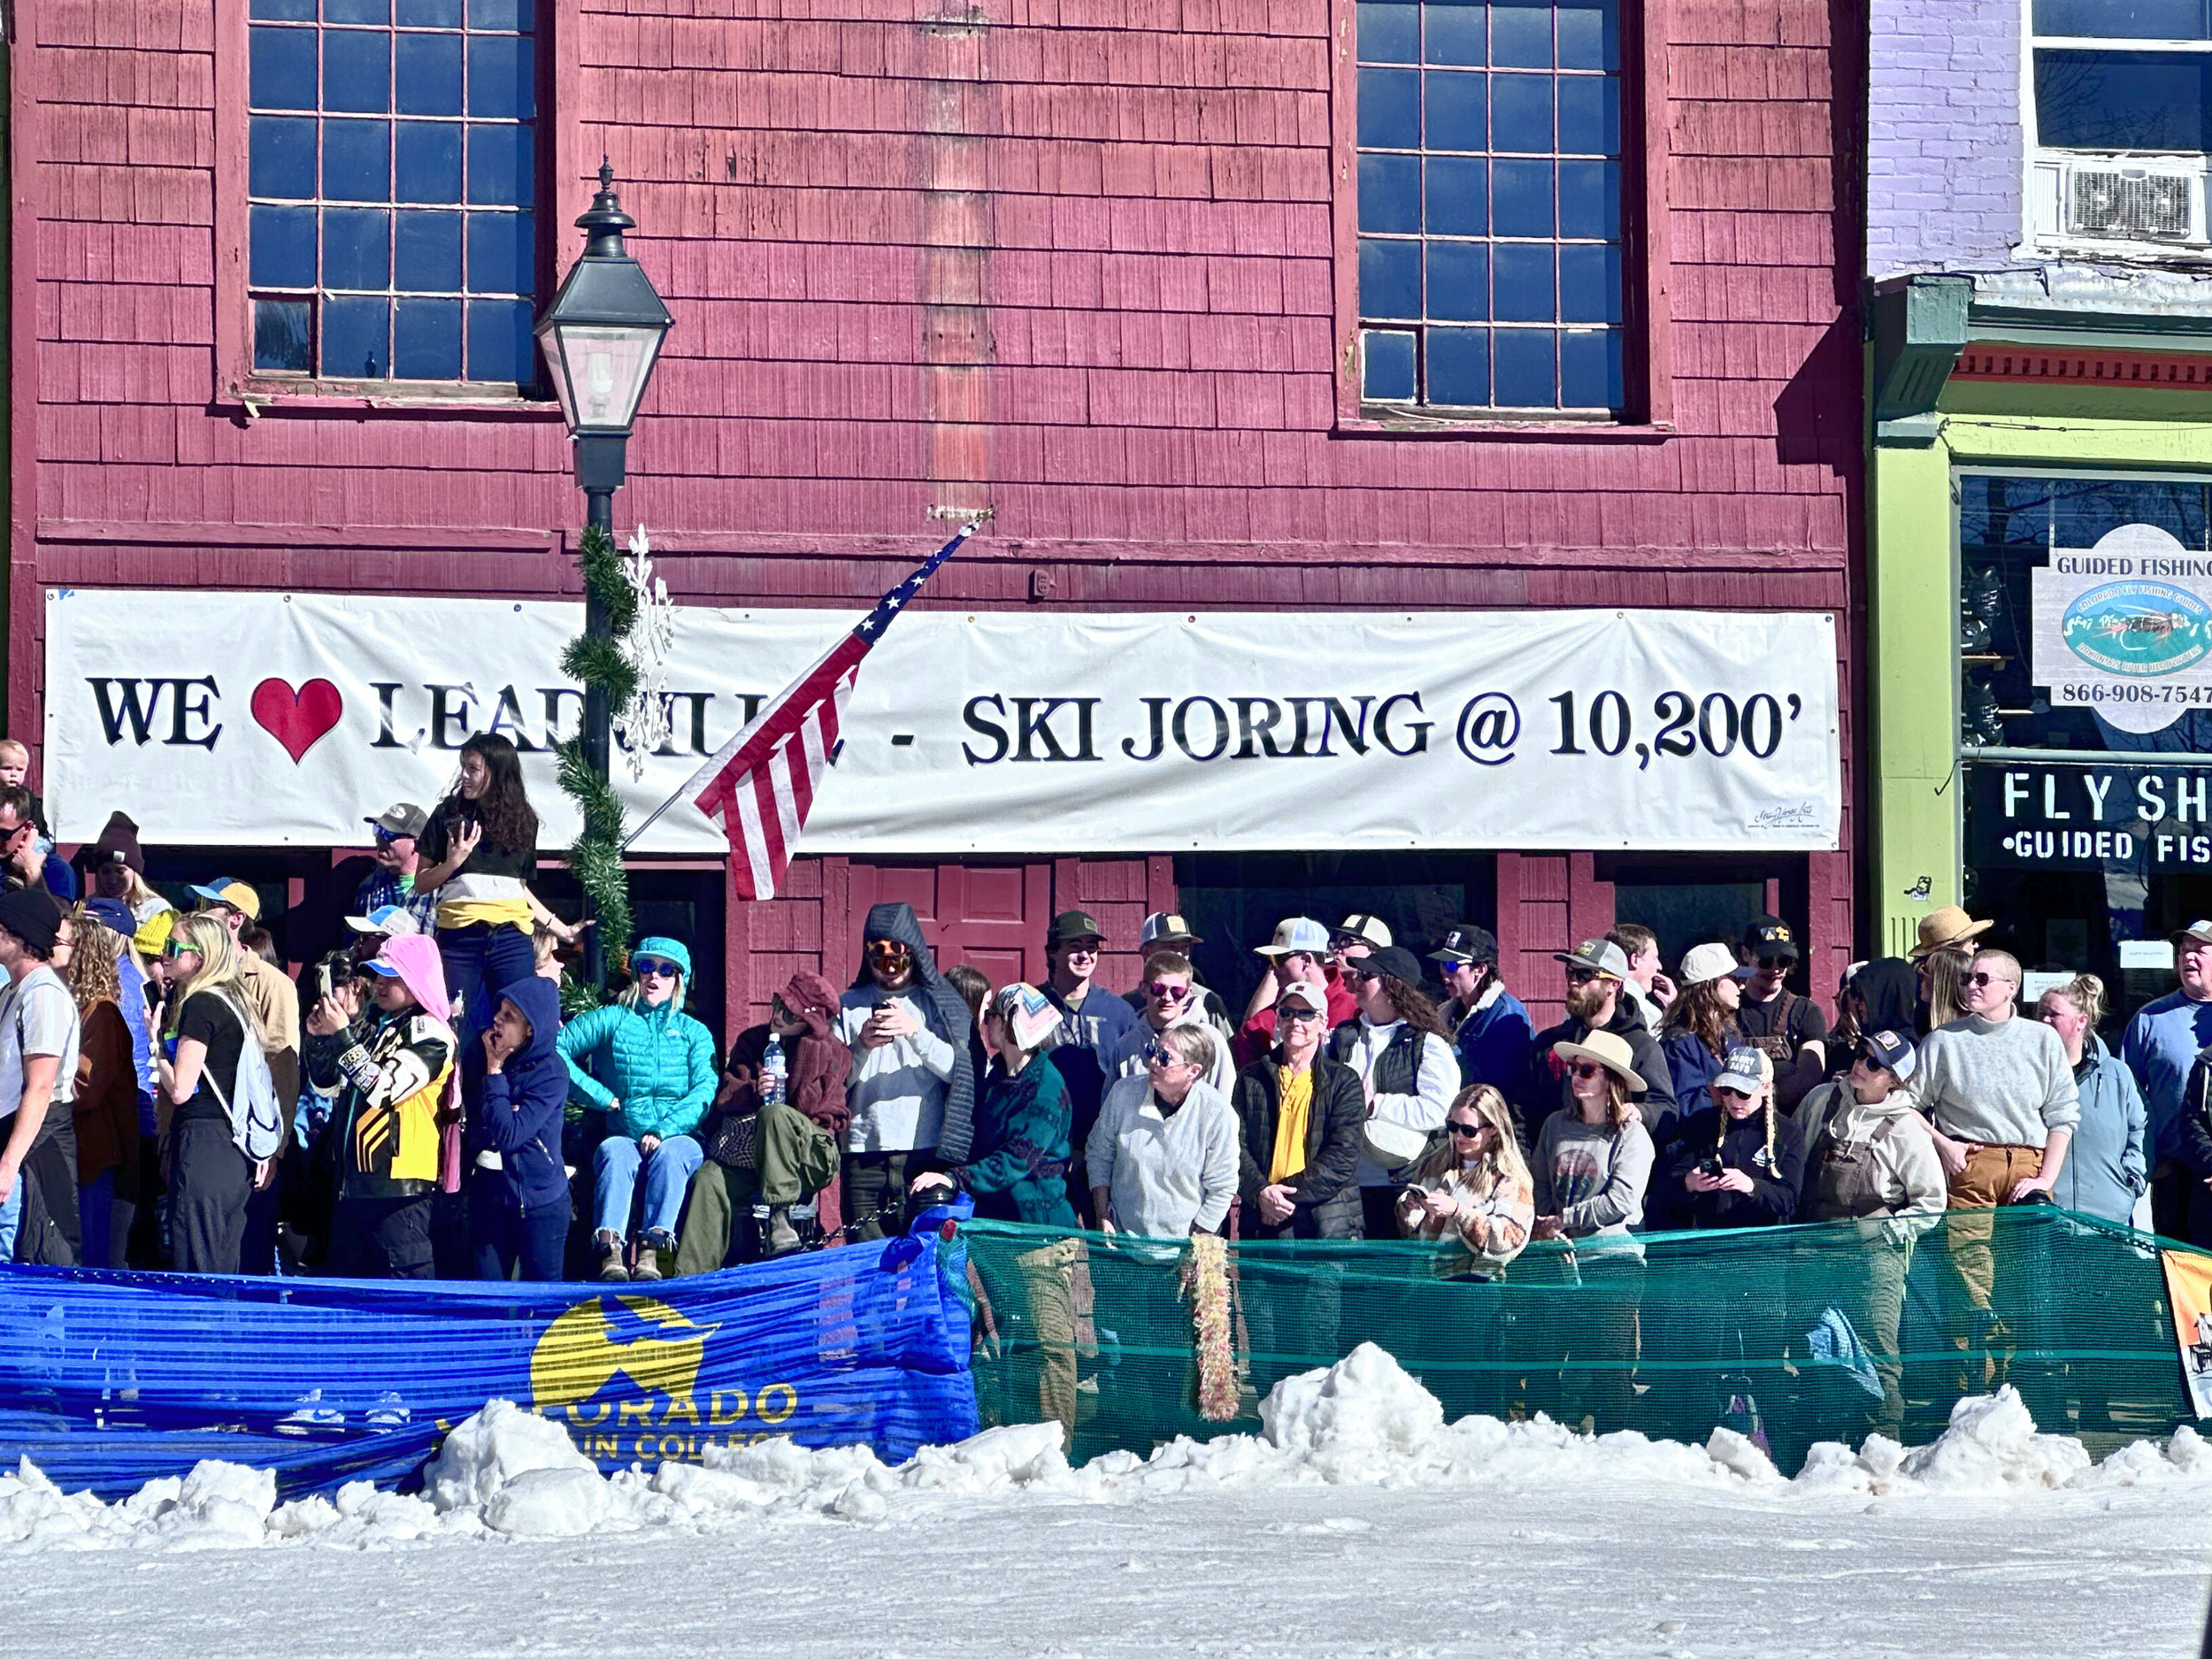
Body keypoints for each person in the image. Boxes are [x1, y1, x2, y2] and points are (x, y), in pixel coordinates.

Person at [1911, 947, 2078, 1403]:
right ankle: (1969, 1398)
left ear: (2012, 987)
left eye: (1983, 978)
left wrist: (2046, 1177)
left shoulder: (2040, 1040)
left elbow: (2064, 1113)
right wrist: (1942, 1143)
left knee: (2017, 1285)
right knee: (1969, 1284)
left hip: (2027, 1165)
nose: (1971, 986)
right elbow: (1906, 1104)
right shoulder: (1944, 1041)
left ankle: (2010, 1398)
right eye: (1967, 978)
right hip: (1971, 1165)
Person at [1796, 1028, 1945, 1445]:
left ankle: (1883, 1438)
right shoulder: (1822, 1102)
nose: (1861, 1065)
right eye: (1861, 1054)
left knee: (1877, 1341)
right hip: (1816, 1243)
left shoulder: (1905, 1129)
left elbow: (1932, 1200)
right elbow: (1797, 1160)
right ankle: (1823, 1435)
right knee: (1815, 1340)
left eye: (1875, 1063)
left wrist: (1894, 1230)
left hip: (1874, 1252)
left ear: (1895, 1080)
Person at [558, 935, 718, 1279]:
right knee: (616, 1155)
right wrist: (602, 1097)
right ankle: (610, 1251)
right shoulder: (613, 1018)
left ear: (679, 979)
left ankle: (651, 1250)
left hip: (678, 1134)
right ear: (636, 973)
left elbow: (704, 1089)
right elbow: (557, 1049)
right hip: (623, 1131)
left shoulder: (695, 1032)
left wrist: (663, 1130)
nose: (654, 977)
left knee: (672, 1156)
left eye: (666, 970)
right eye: (646, 967)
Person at [305, 933, 457, 1279]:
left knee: (408, 1302)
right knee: (351, 1302)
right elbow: (328, 1086)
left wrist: (343, 1035)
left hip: (399, 1190)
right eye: (377, 974)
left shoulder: (432, 1031)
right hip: (354, 1186)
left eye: (392, 975)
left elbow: (384, 1090)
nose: (380, 983)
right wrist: (319, 1039)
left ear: (417, 978)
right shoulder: (379, 1028)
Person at [1529, 1027, 1655, 1433]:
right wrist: (1548, 1220)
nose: (1575, 1077)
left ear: (1610, 1081)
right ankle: (1542, 1444)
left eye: (1586, 1070)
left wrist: (1566, 1218)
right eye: (1572, 1069)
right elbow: (1539, 1180)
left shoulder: (1631, 1135)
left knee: (1609, 1366)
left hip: (1612, 1261)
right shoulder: (1554, 1125)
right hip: (1557, 1258)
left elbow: (1622, 1200)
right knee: (1545, 1360)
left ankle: (1615, 1447)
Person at [414, 733, 580, 1039]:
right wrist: (452, 862)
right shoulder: (448, 815)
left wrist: (561, 929)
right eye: (463, 766)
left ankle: (507, 1084)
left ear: (497, 771)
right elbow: (421, 883)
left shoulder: (524, 820)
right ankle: (460, 1085)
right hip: (461, 937)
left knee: (515, 1022)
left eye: (473, 769)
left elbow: (519, 889)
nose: (464, 775)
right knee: (455, 1023)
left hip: (511, 937)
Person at [680, 970, 849, 1271]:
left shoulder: (834, 1052)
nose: (779, 1016)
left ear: (810, 1022)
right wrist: (756, 1091)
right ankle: (691, 1279)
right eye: (778, 1005)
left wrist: (809, 1050)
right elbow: (726, 1097)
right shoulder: (752, 1041)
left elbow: (814, 1110)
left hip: (809, 1158)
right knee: (709, 1177)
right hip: (753, 1156)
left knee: (776, 1114)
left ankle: (780, 1215)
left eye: (791, 1014)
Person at [837, 902, 977, 1239]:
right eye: (879, 957)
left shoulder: (939, 1004)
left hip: (924, 1151)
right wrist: (862, 1046)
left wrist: (915, 1031)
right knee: (867, 1264)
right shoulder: (847, 1004)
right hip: (863, 1152)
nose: (889, 967)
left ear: (913, 953)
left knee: (924, 1265)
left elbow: (960, 1073)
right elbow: (832, 1083)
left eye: (897, 956)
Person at [157, 911, 268, 1273]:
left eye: (174, 947)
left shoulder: (201, 1003)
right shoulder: (236, 1002)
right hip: (234, 1145)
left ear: (200, 958)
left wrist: (156, 1050)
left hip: (205, 1141)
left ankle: (204, 1330)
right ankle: (224, 1329)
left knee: (198, 1258)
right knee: (221, 1259)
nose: (164, 954)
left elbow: (180, 1090)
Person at [1332, 945, 1461, 1239]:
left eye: (1367, 976)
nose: (1357, 983)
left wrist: (1375, 1104)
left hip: (1402, 1186)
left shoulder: (1426, 1044)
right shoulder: (1344, 1037)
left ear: (1392, 988)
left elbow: (1441, 1110)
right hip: (1346, 1185)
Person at [926, 983, 1079, 1226]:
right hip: (998, 1222)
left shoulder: (1044, 1088)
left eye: (991, 1015)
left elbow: (1015, 1160)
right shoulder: (998, 1075)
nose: (986, 1023)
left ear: (1010, 1021)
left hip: (1036, 1232)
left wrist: (955, 1179)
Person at [1233, 979, 1365, 1240]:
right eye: (1287, 1012)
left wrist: (1281, 1195)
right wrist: (1260, 1191)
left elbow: (1343, 1156)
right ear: (1278, 1020)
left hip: (1325, 1223)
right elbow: (1233, 1145)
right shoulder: (1251, 1078)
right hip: (1262, 1222)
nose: (1296, 1021)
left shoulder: (1344, 1081)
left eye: (1306, 1014)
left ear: (1323, 1023)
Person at [1522, 938, 1677, 1151]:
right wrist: (1527, 1166)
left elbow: (1666, 1110)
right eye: (1570, 972)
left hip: (1611, 1166)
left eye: (1584, 975)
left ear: (1613, 984)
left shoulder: (1641, 1046)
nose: (1573, 981)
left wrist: (1641, 1112)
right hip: (1549, 1168)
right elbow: (1522, 1109)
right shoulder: (1550, 1043)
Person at [1086, 1025, 1238, 1239]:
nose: (1153, 1061)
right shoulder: (1123, 1093)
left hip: (1185, 1247)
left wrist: (1196, 1246)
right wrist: (1103, 1215)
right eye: (1153, 1051)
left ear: (1193, 1071)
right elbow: (1099, 1155)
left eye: (1165, 1058)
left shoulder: (1218, 1113)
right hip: (1123, 1242)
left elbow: (1222, 1187)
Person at [465, 974, 571, 1280]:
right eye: (499, 1010)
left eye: (509, 1016)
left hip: (540, 1201)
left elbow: (510, 1134)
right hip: (491, 1194)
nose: (497, 1019)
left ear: (530, 1030)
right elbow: (482, 1122)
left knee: (543, 1303)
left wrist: (495, 1074)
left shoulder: (551, 1073)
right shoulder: (480, 1053)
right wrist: (501, 1106)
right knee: (490, 1299)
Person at [1038, 910, 1138, 1223]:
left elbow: (1134, 1080)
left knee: (1105, 1246)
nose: (1085, 955)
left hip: (1103, 1150)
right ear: (1052, 951)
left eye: (1092, 947)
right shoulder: (1031, 1004)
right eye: (1074, 945)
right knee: (1050, 1247)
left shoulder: (1119, 1012)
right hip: (1047, 1149)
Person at [2124, 918, 2212, 1247]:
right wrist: (2148, 1159)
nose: (2189, 958)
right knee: (2174, 1263)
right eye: (2184, 952)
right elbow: (2129, 1097)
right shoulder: (2150, 1019)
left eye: (2200, 951)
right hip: (2172, 1169)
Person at [60, 902, 137, 1269]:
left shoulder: (102, 1013)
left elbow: (86, 1088)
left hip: (94, 1158)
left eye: (62, 943)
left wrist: (37, 1083)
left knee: (94, 1263)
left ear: (82, 954)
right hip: (75, 1156)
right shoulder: (78, 1007)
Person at [1656, 1047, 1807, 1232]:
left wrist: (1751, 1186)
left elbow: (1790, 1200)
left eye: (1744, 1093)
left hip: (1763, 1246)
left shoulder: (1789, 1132)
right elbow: (1667, 1184)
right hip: (1707, 1242)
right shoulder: (1702, 1123)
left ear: (1765, 1087)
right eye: (1727, 1090)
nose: (1734, 1100)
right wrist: (1689, 1183)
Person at [187, 877, 302, 1115]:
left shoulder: (274, 983)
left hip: (246, 1125)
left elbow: (283, 1066)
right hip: (195, 1121)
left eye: (207, 906)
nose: (198, 914)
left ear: (237, 919)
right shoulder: (191, 975)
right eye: (198, 904)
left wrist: (276, 1146)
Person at [2038, 975, 2145, 1228]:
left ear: (2080, 1022)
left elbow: (2139, 1129)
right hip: (2048, 1218)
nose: (2043, 1021)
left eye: (2053, 1014)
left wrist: (2130, 1180)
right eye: (2040, 1013)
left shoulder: (2117, 1074)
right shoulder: (2030, 1073)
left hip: (2108, 1218)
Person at [1395, 1084, 1534, 1276]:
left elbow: (1507, 1240)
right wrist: (1409, 1208)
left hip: (1476, 1289)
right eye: (1453, 1127)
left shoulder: (1510, 1177)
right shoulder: (1434, 1162)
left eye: (1469, 1130)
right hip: (1424, 1284)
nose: (1459, 1136)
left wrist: (1458, 1211)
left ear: (1493, 1129)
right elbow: (1411, 1232)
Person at [1728, 916, 1826, 1111]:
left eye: (1784, 961)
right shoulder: (1729, 1010)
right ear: (1745, 954)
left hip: (1787, 1121)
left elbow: (1811, 1075)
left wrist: (1765, 1104)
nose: (1776, 969)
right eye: (1765, 961)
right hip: (1734, 1116)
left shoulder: (1806, 1012)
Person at [1235, 917, 1356, 1071]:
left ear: (1306, 960)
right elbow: (1243, 1058)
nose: (1273, 969)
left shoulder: (1354, 1007)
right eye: (1271, 960)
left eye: (1279, 959)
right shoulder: (1265, 1021)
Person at [1110, 951, 1236, 1094]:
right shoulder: (1127, 1045)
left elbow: (1224, 1102)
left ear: (1188, 993)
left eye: (1177, 991)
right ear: (1143, 989)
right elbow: (1112, 1108)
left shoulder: (1211, 1040)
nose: (1167, 998)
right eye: (1158, 989)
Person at [1429, 924, 1532, 1094]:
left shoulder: (1506, 1015)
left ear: (1479, 970)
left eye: (1451, 966)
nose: (1445, 975)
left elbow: (1500, 1083)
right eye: (1442, 964)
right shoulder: (1446, 1012)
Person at [1660, 941, 1744, 1125]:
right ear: (1710, 985)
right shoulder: (1678, 1042)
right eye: (1735, 979)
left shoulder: (1730, 1033)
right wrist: (1726, 1091)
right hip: (1696, 1147)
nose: (1742, 986)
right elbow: (1680, 1108)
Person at [1119, 912, 1234, 1035]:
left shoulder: (1207, 1001)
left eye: (1185, 947)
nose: (1179, 955)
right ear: (1146, 953)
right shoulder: (1126, 1005)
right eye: (1171, 947)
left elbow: (1227, 1050)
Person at [354, 802, 439, 934]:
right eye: (378, 831)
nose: (380, 839)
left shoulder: (439, 889)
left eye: (389, 834)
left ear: (416, 843)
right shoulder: (369, 887)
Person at [81, 811, 171, 926]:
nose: (112, 880)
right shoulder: (86, 908)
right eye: (105, 872)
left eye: (120, 871)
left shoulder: (156, 910)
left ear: (135, 872)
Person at [0, 787, 75, 901]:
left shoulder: (56, 870)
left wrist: (32, 872)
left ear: (27, 828)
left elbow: (59, 916)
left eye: (3, 834)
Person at [1608, 922, 1672, 1034]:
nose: (1659, 966)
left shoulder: (1590, 999)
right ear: (1635, 960)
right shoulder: (1648, 1013)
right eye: (1654, 958)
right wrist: (1673, 1009)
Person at [0, 739, 49, 838]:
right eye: (7, 768)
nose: (13, 774)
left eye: (20, 770)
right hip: (4, 838)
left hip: (30, 839)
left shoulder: (27, 797)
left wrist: (26, 850)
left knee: (42, 845)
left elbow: (36, 829)